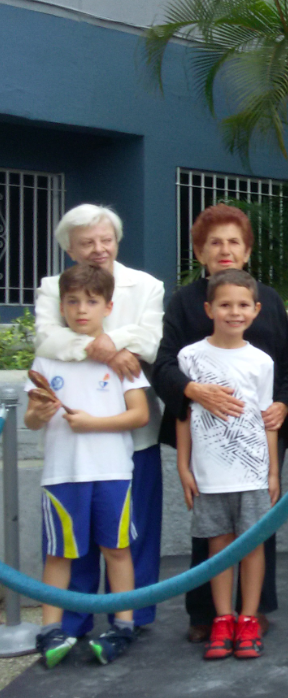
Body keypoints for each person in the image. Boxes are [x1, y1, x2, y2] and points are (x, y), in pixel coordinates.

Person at [151, 204, 288, 643]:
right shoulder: (184, 302)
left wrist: (284, 404)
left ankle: (255, 610)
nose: (225, 249)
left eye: (234, 241)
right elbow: (163, 365)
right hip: (203, 436)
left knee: (258, 527)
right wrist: (193, 391)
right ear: (200, 252)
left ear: (247, 251)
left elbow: (286, 365)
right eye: (214, 243)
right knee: (209, 532)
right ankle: (206, 614)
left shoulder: (267, 300)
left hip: (258, 434)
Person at [33, 204, 164, 639]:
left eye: (105, 239)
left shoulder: (146, 285)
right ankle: (71, 623)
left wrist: (105, 341)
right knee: (73, 543)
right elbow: (47, 339)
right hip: (70, 446)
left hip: (131, 434)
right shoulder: (53, 287)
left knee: (128, 536)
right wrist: (108, 349)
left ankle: (130, 620)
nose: (98, 249)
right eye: (86, 242)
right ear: (70, 249)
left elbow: (149, 342)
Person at [26, 265, 150, 667]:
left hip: (112, 472)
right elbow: (31, 418)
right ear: (61, 306)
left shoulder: (120, 360)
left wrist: (93, 423)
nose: (82, 309)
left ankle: (124, 625)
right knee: (58, 554)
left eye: (92, 301)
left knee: (117, 549)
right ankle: (50, 630)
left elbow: (140, 415)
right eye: (73, 301)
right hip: (62, 474)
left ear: (108, 307)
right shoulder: (47, 358)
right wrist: (40, 413)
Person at [175, 269, 280, 660]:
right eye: (225, 305)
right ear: (209, 309)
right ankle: (223, 618)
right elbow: (183, 415)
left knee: (251, 546)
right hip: (209, 475)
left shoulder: (262, 361)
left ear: (255, 310)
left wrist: (272, 471)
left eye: (242, 305)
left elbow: (268, 419)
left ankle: (248, 618)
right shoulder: (189, 357)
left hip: (252, 473)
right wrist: (183, 467)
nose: (234, 312)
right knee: (217, 547)